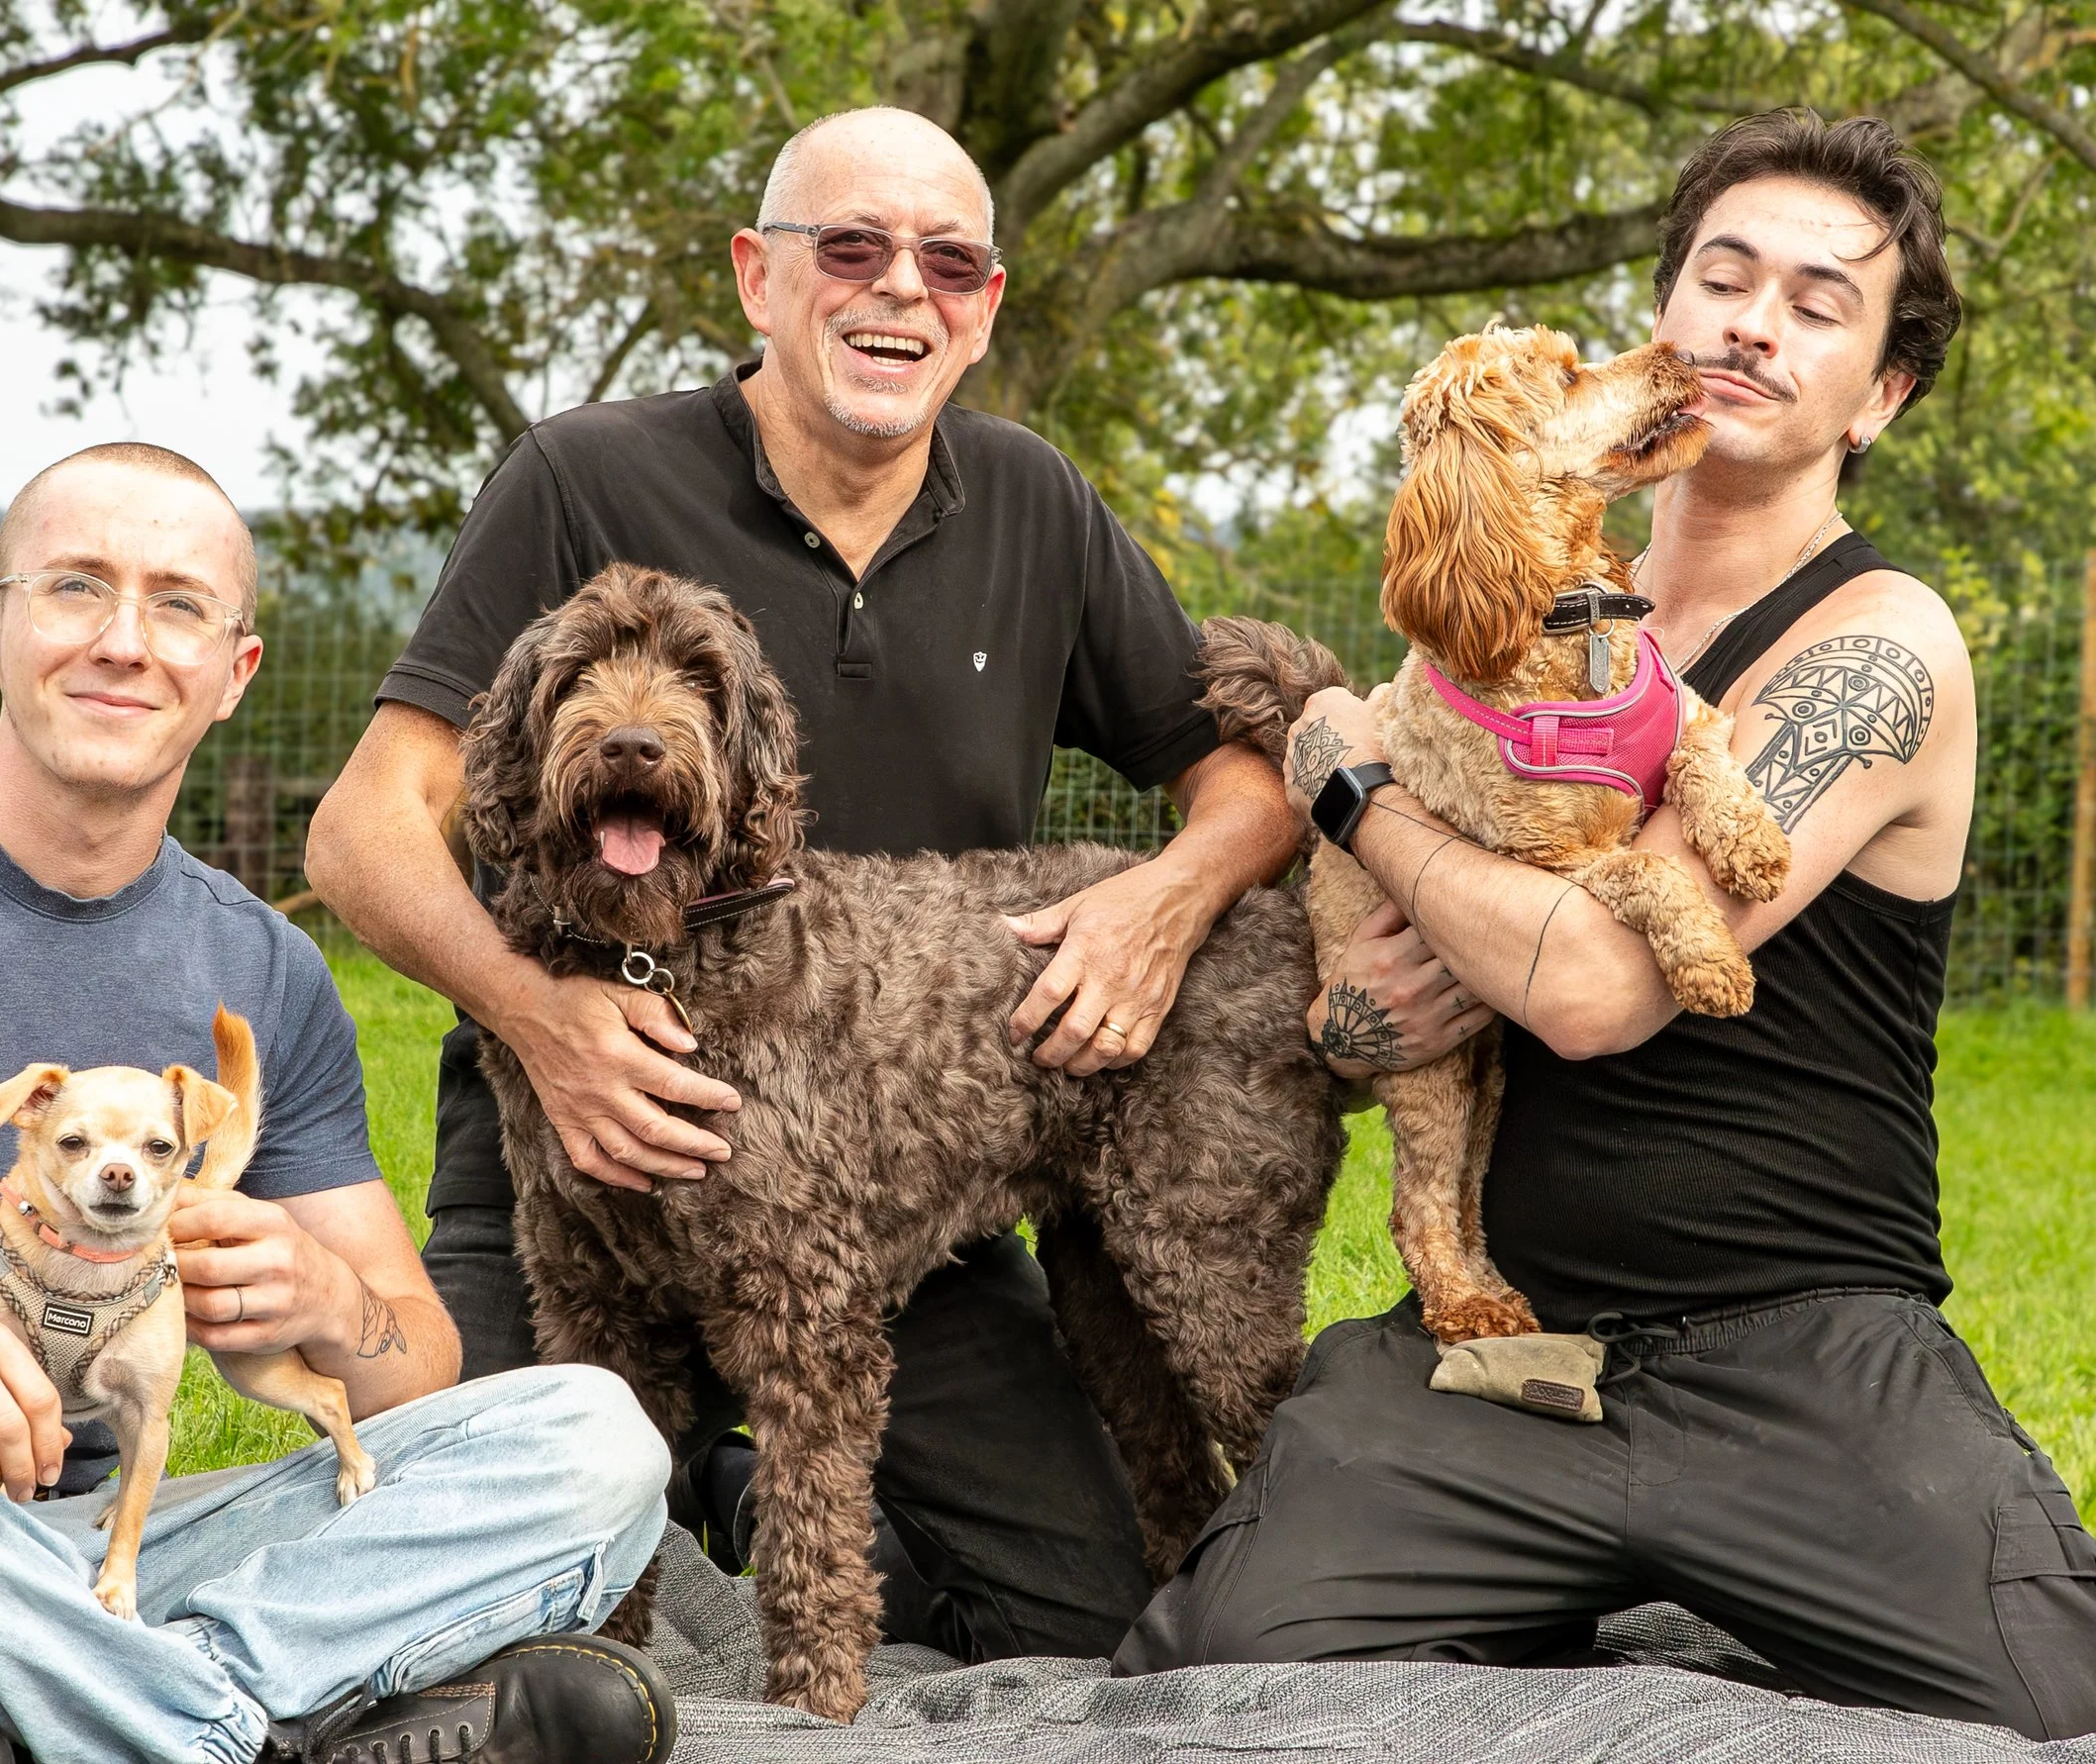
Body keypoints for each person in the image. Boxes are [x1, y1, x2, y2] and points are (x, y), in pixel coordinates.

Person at [306, 107, 1355, 1665]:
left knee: (1083, 1612)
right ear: (758, 276)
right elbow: (362, 828)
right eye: (851, 248)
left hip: (888, 1191)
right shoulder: (582, 478)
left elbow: (1246, 773)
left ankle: (748, 1485)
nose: (900, 292)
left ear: (987, 304)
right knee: (464, 1596)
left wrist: (1166, 897)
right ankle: (704, 1477)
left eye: (947, 262)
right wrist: (543, 1019)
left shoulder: (1034, 502)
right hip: (577, 1132)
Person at [1116, 111, 2096, 1738]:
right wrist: (1361, 1007)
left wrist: (1356, 792)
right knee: (1210, 1666)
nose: (1751, 324)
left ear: (1885, 395)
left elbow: (1591, 988)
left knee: (2058, 1701)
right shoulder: (1525, 639)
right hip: (1516, 1357)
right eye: (1722, 277)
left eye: (1817, 301)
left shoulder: (1886, 643)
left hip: (1806, 1354)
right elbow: (1367, 1025)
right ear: (1662, 313)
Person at [0, 443, 676, 1764]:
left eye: (179, 603)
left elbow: (416, 1366)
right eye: (76, 588)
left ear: (233, 673)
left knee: (592, 1437)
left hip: (113, 1546)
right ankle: (250, 1724)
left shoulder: (265, 972)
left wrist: (323, 1298)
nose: (126, 640)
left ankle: (73, 1711)